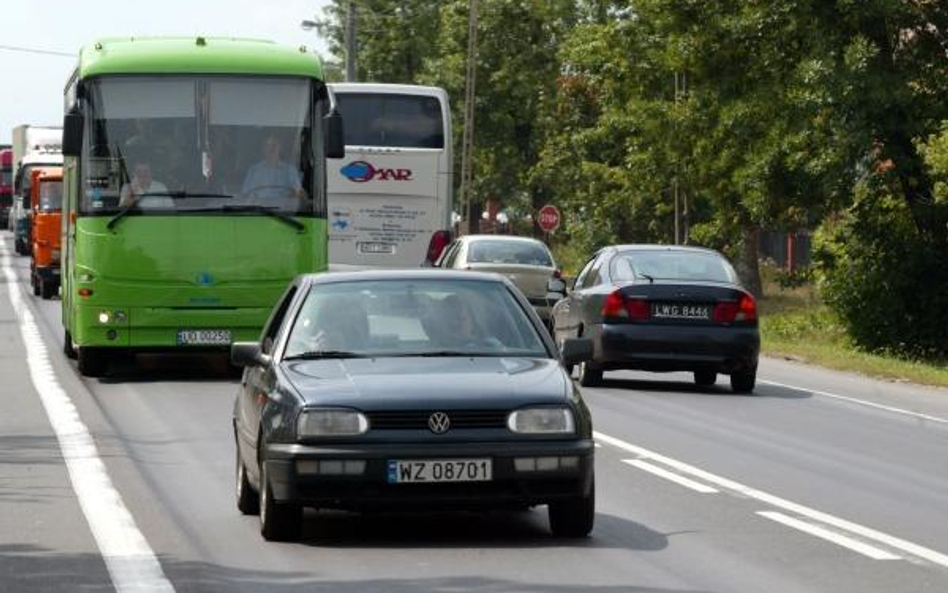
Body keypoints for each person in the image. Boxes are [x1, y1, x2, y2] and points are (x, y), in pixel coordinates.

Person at [241, 133, 306, 208]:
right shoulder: (253, 170)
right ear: (262, 148)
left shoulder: (290, 170)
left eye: (274, 145)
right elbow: (245, 196)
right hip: (258, 212)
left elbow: (297, 193)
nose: (272, 148)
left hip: (284, 212)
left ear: (280, 147)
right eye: (268, 145)